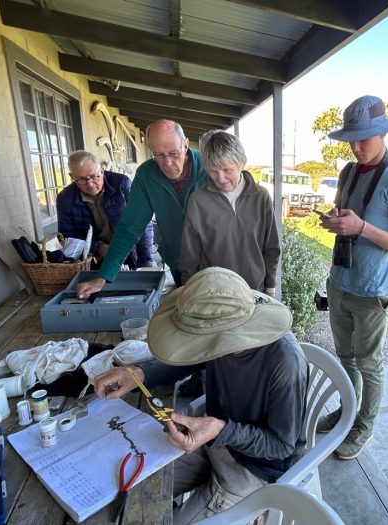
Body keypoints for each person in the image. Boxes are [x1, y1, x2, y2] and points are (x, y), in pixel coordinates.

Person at [93, 267, 308, 523]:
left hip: (256, 469)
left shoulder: (285, 363)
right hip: (213, 443)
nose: (198, 348)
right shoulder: (222, 334)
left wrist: (219, 429)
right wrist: (139, 374)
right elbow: (187, 359)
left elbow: (280, 446)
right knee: (127, 490)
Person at [317, 95, 388, 460]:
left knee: (369, 364)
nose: (357, 147)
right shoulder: (347, 172)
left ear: (383, 134)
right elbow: (351, 215)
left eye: (365, 139)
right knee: (345, 358)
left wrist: (360, 227)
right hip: (340, 282)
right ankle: (348, 411)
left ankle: (364, 427)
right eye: (352, 140)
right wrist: (337, 220)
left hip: (372, 291)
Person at [76, 120, 208, 298]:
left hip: (216, 261)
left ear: (185, 145)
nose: (167, 162)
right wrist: (104, 276)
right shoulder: (146, 175)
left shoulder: (209, 166)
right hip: (179, 263)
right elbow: (130, 227)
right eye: (158, 155)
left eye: (173, 153)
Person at [180, 130, 279, 294]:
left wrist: (270, 286)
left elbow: (271, 247)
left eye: (227, 170)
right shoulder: (198, 200)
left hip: (254, 289)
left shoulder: (261, 196)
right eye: (213, 171)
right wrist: (190, 291)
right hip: (213, 292)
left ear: (241, 163)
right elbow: (189, 254)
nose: (220, 178)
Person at [56, 150, 154, 269]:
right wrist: (98, 247)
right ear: (72, 177)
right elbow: (66, 239)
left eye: (94, 176)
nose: (90, 184)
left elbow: (143, 223)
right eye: (82, 179)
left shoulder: (122, 184)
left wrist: (145, 262)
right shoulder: (65, 199)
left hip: (128, 251)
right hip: (91, 260)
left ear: (102, 171)